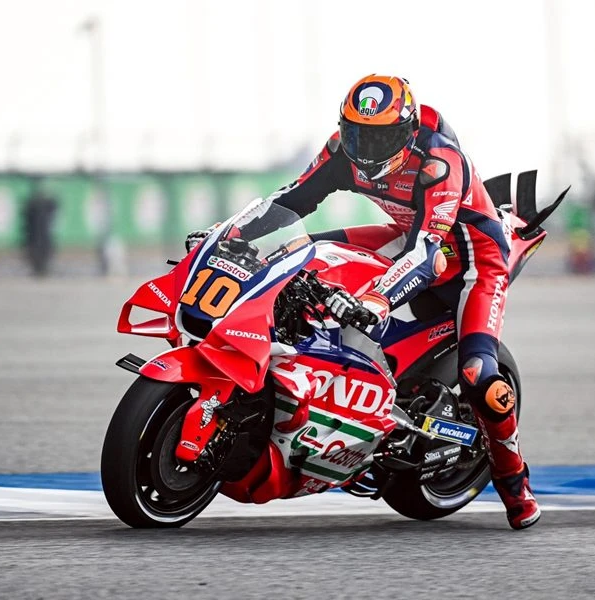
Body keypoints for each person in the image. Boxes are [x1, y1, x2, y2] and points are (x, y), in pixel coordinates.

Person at [188, 74, 540, 530]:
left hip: (470, 261)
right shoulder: (342, 151)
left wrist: (376, 298)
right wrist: (229, 235)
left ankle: (516, 485)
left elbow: (427, 254)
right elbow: (293, 199)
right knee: (297, 257)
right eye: (358, 135)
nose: (367, 149)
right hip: (408, 238)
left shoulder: (439, 162)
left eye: (381, 138)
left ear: (408, 131)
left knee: (479, 376)